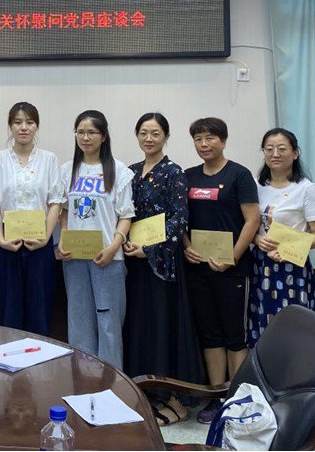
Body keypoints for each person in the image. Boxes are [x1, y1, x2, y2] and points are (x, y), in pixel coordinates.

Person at [122, 112, 203, 426]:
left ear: (166, 137)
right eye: (143, 132)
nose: (149, 139)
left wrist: (149, 250)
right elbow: (123, 213)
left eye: (155, 133)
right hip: (134, 263)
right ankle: (146, 395)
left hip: (162, 264)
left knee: (164, 328)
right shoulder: (129, 172)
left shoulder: (173, 172)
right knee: (140, 327)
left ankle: (174, 401)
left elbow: (179, 219)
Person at [182, 117, 260, 423]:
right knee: (210, 333)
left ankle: (235, 398)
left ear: (223, 141)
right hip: (198, 267)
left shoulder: (239, 175)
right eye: (198, 139)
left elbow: (252, 220)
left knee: (234, 334)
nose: (204, 144)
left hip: (232, 269)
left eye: (210, 138)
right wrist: (187, 245)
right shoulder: (189, 176)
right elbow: (181, 219)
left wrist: (233, 257)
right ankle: (216, 396)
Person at [57, 110, 134, 369]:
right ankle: (83, 379)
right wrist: (63, 239)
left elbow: (126, 215)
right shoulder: (67, 170)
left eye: (91, 132)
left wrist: (114, 246)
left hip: (108, 258)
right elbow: (64, 210)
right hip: (75, 258)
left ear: (104, 136)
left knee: (109, 323)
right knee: (79, 321)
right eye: (80, 132)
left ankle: (111, 382)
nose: (85, 137)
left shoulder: (119, 171)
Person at [0, 102, 64, 336]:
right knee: (9, 312)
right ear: (10, 126)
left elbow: (55, 202)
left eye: (29, 122)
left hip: (40, 242)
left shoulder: (49, 159)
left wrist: (45, 238)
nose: (23, 127)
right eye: (18, 122)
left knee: (40, 311)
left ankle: (39, 358)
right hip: (7, 243)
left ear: (36, 126)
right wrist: (0, 239)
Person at [248, 128, 315, 345]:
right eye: (269, 149)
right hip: (260, 264)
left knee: (293, 326)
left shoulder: (306, 189)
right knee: (262, 324)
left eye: (282, 149)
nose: (275, 154)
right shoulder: (255, 185)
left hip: (291, 264)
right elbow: (249, 225)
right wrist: (257, 239)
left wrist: (290, 248)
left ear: (295, 153)